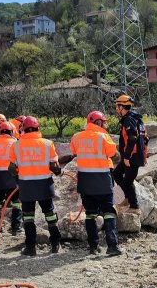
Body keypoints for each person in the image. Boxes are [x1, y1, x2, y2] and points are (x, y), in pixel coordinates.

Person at [70, 110, 122, 256]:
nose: (104, 125)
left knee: (90, 214)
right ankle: (112, 246)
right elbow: (114, 155)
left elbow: (74, 152)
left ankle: (93, 246)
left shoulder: (76, 137)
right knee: (109, 212)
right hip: (102, 179)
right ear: (98, 122)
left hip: (85, 181)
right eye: (103, 122)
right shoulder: (103, 137)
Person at [9, 116, 62, 256]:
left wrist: (17, 176)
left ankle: (31, 247)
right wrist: (58, 171)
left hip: (26, 185)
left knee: (28, 217)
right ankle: (56, 243)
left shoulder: (16, 145)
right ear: (38, 128)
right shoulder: (47, 143)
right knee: (50, 214)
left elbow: (12, 168)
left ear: (23, 129)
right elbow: (54, 165)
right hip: (44, 184)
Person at [112, 95, 147, 209]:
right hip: (135, 155)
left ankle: (134, 206)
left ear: (122, 107)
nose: (116, 109)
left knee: (128, 182)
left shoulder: (129, 119)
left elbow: (132, 139)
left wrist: (127, 157)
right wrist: (144, 156)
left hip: (132, 156)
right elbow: (145, 139)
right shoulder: (137, 119)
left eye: (117, 107)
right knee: (116, 174)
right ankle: (128, 198)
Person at [0, 121, 23, 235]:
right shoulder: (15, 143)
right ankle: (16, 227)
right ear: (12, 131)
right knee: (16, 202)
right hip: (12, 176)